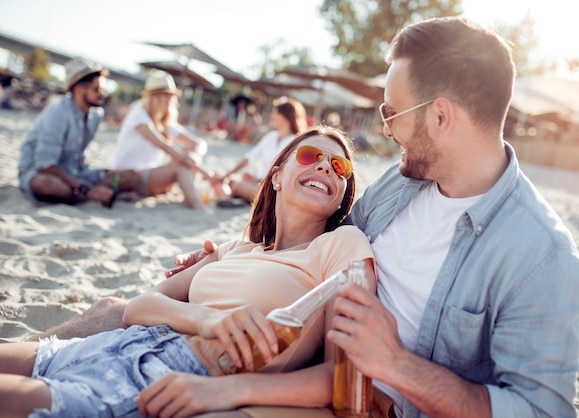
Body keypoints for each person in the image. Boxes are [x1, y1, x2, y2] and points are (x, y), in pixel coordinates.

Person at [21, 17, 579, 418]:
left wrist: (396, 366)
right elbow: (313, 240)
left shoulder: (541, 260)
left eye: (392, 114)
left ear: (441, 117)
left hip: (353, 396)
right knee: (103, 316)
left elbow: (541, 410)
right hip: (275, 354)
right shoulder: (400, 187)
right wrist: (226, 264)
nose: (386, 131)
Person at [1, 126, 376, 417]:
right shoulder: (237, 247)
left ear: (342, 194)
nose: (325, 166)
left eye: (339, 167)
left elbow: (345, 377)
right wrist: (205, 318)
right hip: (121, 344)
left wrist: (230, 391)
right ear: (276, 176)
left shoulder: (341, 246)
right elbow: (138, 307)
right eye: (311, 155)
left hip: (171, 374)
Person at [17, 58, 141, 207]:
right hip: (43, 173)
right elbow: (45, 164)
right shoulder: (58, 112)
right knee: (46, 185)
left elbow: (80, 154)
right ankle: (95, 196)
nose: (102, 94)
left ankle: (99, 194)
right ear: (79, 89)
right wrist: (86, 189)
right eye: (97, 89)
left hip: (75, 173)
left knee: (132, 176)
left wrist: (89, 173)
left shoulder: (96, 114)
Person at [111, 72, 218, 210]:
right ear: (153, 97)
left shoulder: (162, 120)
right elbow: (163, 145)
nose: (169, 99)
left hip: (146, 174)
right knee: (181, 166)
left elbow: (199, 143)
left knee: (188, 156)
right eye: (165, 95)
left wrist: (193, 156)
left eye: (171, 96)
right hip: (128, 176)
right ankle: (197, 205)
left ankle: (192, 198)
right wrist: (203, 172)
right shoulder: (139, 117)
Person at [218, 96, 308, 205]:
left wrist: (257, 180)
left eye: (276, 113)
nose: (272, 116)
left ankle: (237, 197)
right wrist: (227, 174)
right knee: (229, 179)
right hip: (260, 183)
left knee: (237, 185)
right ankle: (241, 198)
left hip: (276, 190)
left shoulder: (296, 141)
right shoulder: (271, 137)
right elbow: (250, 157)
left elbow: (286, 174)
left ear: (287, 116)